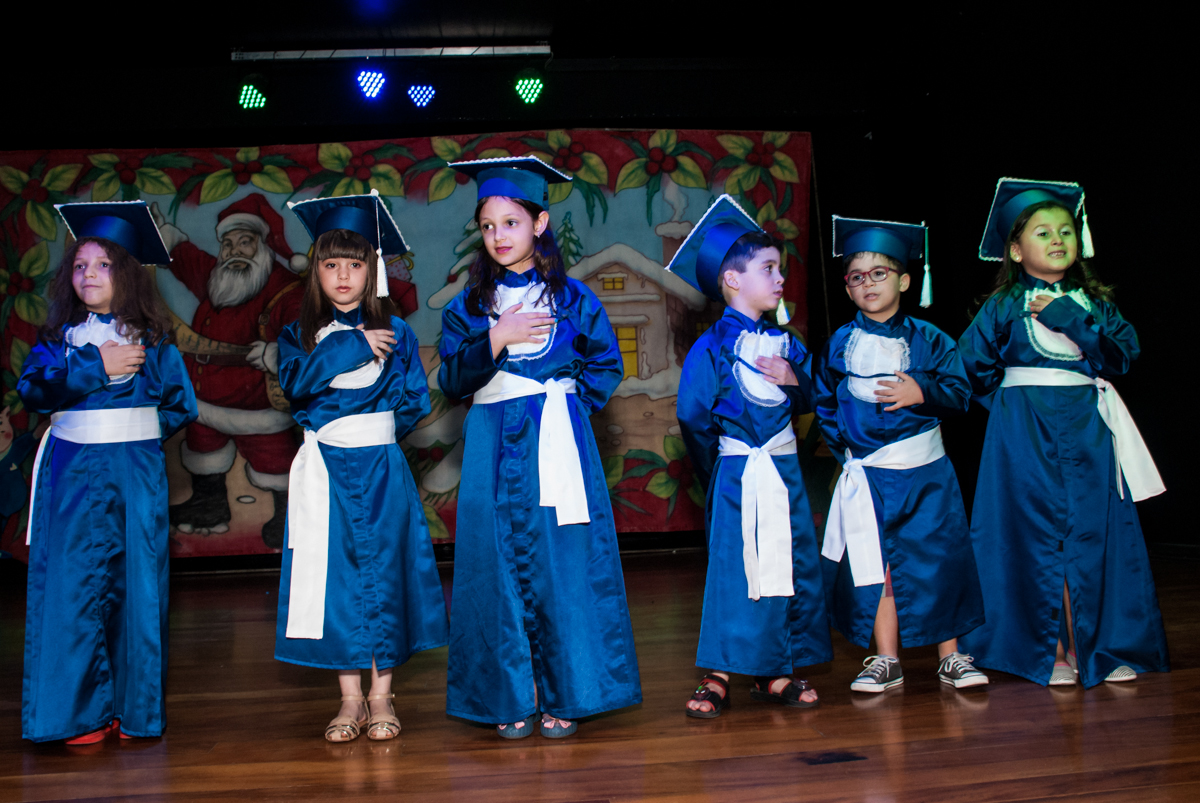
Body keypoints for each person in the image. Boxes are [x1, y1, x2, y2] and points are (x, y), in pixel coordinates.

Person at [438, 157, 641, 739]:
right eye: (488, 226)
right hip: (492, 446)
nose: (499, 236)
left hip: (556, 442)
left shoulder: (575, 301)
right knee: (494, 566)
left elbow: (605, 364)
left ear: (539, 223)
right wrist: (495, 339)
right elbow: (452, 381)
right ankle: (510, 694)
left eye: (511, 222)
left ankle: (566, 693)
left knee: (563, 563)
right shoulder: (467, 307)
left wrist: (567, 405)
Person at [958, 178, 1167, 687]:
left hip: (1088, 429)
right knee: (1031, 536)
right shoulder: (1004, 305)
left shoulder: (1092, 303)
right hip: (1022, 434)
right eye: (1042, 232)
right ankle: (1045, 650)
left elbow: (1121, 356)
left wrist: (1071, 319)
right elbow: (966, 369)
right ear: (1014, 248)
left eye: (1067, 231)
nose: (1057, 240)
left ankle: (1103, 645)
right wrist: (1010, 406)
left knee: (1095, 534)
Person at [19, 201, 198, 743]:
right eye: (79, 265)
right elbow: (32, 389)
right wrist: (97, 367)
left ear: (128, 274)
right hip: (73, 474)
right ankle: (78, 713)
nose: (89, 274)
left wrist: (135, 435)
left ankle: (132, 708)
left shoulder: (156, 341)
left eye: (102, 264)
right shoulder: (59, 342)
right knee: (74, 589)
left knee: (138, 588)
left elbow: (180, 404)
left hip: (136, 473)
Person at [275, 191, 448, 741]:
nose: (344, 275)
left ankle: (381, 696)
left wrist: (368, 428)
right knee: (338, 583)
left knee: (387, 575)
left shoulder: (396, 334)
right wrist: (352, 348)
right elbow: (297, 387)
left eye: (355, 264)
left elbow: (413, 404)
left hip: (380, 470)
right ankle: (348, 701)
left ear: (372, 271)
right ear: (316, 272)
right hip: (327, 469)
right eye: (331, 265)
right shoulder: (298, 335)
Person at [671, 195, 831, 717]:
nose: (780, 278)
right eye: (768, 269)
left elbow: (818, 397)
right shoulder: (711, 348)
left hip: (783, 471)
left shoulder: (788, 344)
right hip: (737, 471)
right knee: (732, 571)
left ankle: (777, 668)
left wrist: (796, 382)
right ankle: (718, 673)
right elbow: (693, 418)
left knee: (788, 564)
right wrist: (720, 470)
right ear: (733, 280)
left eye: (780, 269)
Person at [814, 217, 986, 694]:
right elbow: (825, 402)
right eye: (856, 276)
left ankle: (951, 656)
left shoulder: (932, 340)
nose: (868, 283)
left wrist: (921, 390)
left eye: (880, 273)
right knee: (879, 566)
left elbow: (959, 393)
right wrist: (849, 453)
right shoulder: (837, 346)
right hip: (869, 475)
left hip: (925, 474)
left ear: (906, 280)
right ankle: (885, 658)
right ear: (847, 289)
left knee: (938, 559)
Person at [153, 194, 304, 547]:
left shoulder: (284, 289)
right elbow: (184, 256)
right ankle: (210, 505)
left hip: (256, 404)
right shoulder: (217, 275)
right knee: (203, 449)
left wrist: (276, 353)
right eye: (228, 243)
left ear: (263, 245)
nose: (235, 251)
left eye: (245, 242)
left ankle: (289, 515)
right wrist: (159, 231)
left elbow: (302, 334)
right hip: (204, 399)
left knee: (274, 459)